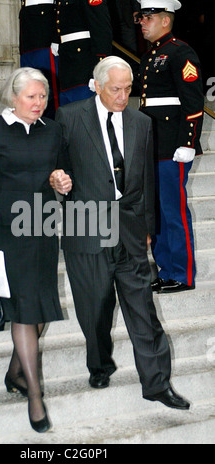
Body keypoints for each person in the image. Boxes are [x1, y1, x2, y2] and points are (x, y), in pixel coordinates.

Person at [53, 56, 190, 410]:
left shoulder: (141, 122)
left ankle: (157, 384)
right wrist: (57, 181)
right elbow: (53, 168)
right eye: (116, 89)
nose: (122, 96)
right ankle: (99, 362)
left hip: (129, 228)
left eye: (128, 88)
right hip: (86, 225)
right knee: (95, 307)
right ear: (97, 86)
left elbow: (144, 179)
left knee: (143, 310)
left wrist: (147, 227)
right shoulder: (69, 117)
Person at [0, 67, 72, 433]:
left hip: (40, 228)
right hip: (3, 234)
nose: (39, 103)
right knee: (25, 312)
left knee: (38, 309)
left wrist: (61, 180)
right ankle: (35, 395)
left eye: (42, 97)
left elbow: (63, 175)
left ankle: (14, 372)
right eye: (31, 97)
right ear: (14, 97)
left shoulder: (53, 130)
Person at [137, 0, 205, 293]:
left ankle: (182, 273)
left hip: (173, 148)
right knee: (157, 213)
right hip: (153, 145)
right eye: (141, 17)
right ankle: (165, 269)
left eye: (147, 17)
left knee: (172, 211)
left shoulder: (180, 52)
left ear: (165, 20)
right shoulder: (150, 55)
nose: (141, 22)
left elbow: (192, 102)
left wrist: (188, 143)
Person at [56, 0, 113, 106]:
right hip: (67, 65)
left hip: (84, 67)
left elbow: (102, 32)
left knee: (85, 114)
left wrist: (98, 72)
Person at [19, 0, 59, 118]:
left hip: (45, 36)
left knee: (47, 87)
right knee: (28, 85)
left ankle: (51, 122)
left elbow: (61, 8)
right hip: (28, 41)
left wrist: (57, 38)